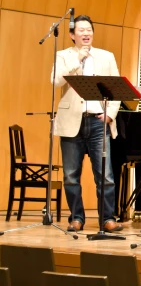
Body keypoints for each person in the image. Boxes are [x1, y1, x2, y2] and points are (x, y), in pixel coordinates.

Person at [51, 14, 122, 232]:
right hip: (72, 121)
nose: (86, 33)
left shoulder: (106, 56)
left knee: (106, 176)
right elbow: (56, 81)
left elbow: (117, 89)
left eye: (89, 29)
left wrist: (109, 114)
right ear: (72, 35)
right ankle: (77, 218)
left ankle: (107, 219)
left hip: (99, 122)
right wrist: (77, 60)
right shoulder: (63, 56)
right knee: (71, 175)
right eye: (81, 30)